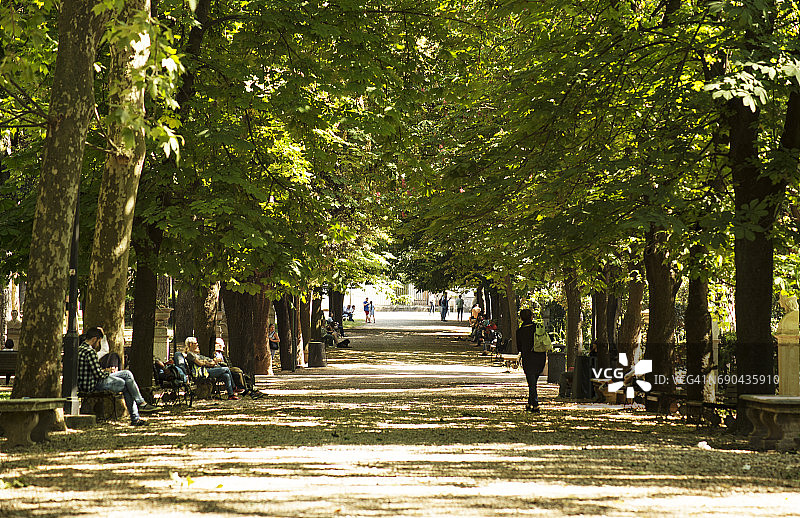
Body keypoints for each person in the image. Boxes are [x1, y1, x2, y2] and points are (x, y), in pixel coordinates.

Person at [77, 326, 160, 426]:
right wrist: (107, 372)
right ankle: (137, 414)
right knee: (126, 385)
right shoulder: (90, 352)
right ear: (94, 339)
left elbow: (92, 371)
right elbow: (98, 375)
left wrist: (106, 372)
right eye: (98, 342)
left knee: (127, 374)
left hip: (88, 382)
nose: (98, 344)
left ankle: (141, 404)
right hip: (93, 384)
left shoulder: (80, 349)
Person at [517, 308, 547, 413]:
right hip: (540, 357)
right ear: (531, 317)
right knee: (533, 381)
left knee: (531, 382)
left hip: (528, 358)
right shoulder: (538, 328)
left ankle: (535, 404)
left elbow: (519, 348)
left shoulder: (520, 331)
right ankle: (530, 403)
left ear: (521, 318)